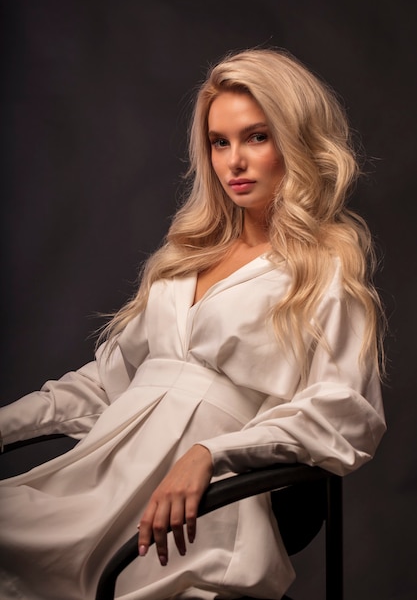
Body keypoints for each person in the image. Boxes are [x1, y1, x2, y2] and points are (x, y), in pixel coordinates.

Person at [0, 47, 386, 600]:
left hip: (199, 504)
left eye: (257, 136)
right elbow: (105, 384)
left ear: (295, 141)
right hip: (106, 474)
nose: (235, 161)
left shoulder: (323, 271)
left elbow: (345, 413)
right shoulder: (187, 256)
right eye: (219, 142)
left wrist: (212, 454)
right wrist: (6, 424)